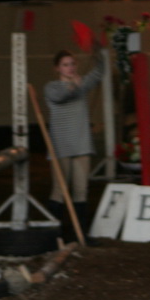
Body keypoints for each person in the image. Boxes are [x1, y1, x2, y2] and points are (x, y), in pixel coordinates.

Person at [44, 45, 105, 238]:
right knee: (59, 190)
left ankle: (80, 233)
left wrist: (98, 51)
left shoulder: (81, 84)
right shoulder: (52, 87)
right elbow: (62, 96)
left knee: (81, 190)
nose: (70, 68)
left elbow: (99, 72)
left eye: (72, 64)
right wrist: (75, 86)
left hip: (81, 145)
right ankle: (55, 235)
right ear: (57, 68)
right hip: (60, 147)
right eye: (65, 65)